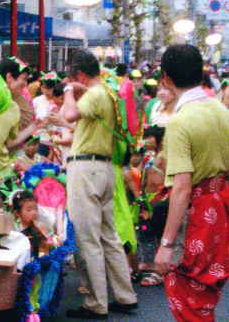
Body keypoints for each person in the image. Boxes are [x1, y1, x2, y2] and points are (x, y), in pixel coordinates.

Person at [154, 45, 229, 322]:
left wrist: (166, 243)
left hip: (196, 216)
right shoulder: (221, 111)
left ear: (166, 78)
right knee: (204, 297)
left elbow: (182, 188)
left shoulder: (180, 122)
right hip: (220, 214)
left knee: (186, 298)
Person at [63, 49, 137, 319]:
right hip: (105, 168)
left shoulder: (93, 94)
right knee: (109, 236)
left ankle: (96, 303)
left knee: (88, 238)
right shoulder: (108, 92)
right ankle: (125, 296)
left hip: (86, 168)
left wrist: (70, 91)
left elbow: (69, 116)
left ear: (79, 74)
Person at [0, 57, 46, 209]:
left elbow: (9, 143)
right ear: (9, 77)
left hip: (0, 173)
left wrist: (34, 125)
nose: (25, 84)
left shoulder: (14, 107)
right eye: (23, 79)